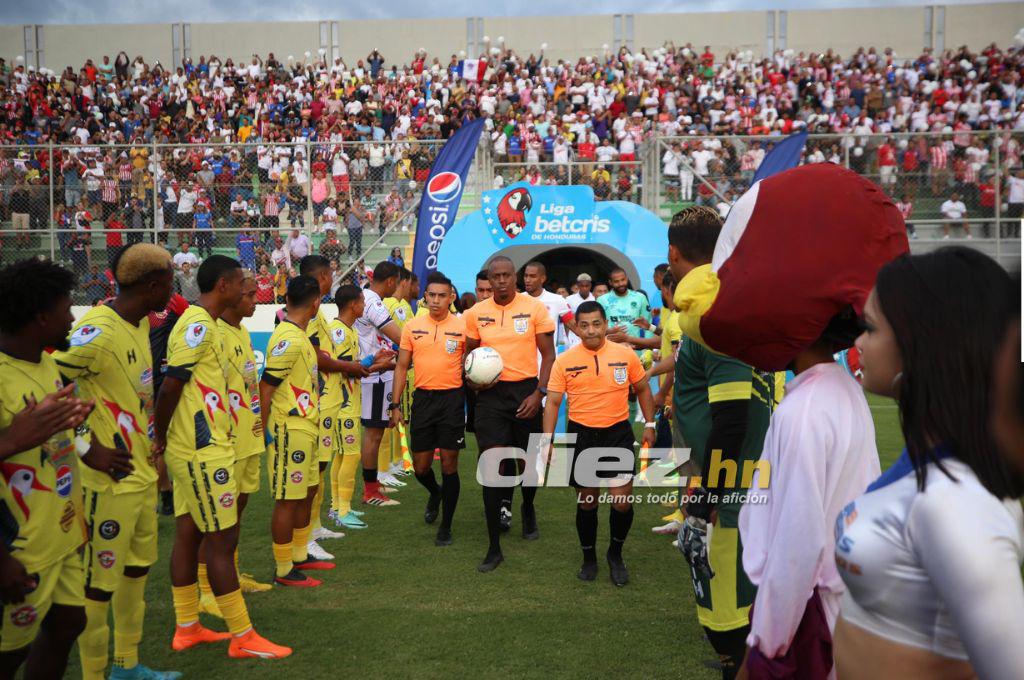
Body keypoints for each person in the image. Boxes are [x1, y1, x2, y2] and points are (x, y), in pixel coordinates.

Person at [833, 248, 1024, 680]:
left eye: (871, 328)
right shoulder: (928, 459)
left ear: (921, 346)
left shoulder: (956, 503)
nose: (858, 343)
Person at [52, 245, 181, 680]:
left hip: (140, 475)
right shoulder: (98, 331)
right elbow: (47, 388)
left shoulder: (141, 321)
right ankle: (93, 675)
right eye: (168, 282)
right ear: (150, 286)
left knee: (136, 571)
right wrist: (88, 448)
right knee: (96, 587)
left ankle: (127, 665)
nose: (172, 289)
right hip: (104, 483)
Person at [153, 255, 289, 659]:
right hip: (200, 449)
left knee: (190, 533)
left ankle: (187, 627)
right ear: (223, 286)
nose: (250, 293)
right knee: (220, 538)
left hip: (209, 446)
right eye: (240, 285)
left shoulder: (215, 326)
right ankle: (242, 636)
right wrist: (159, 441)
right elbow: (170, 388)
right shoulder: (197, 325)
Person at [665, 207, 780, 680]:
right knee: (737, 606)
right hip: (737, 482)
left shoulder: (714, 315)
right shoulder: (727, 301)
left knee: (726, 615)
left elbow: (732, 419)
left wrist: (702, 505)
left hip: (730, 495)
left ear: (673, 254)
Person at [0, 259, 95, 679]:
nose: (72, 317)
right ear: (40, 317)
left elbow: (50, 441)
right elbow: (18, 441)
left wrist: (78, 436)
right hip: (20, 548)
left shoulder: (46, 364)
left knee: (68, 624)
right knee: (6, 656)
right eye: (66, 308)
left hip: (59, 533)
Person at [543, 301, 655, 586]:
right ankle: (589, 557)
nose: (591, 330)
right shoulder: (565, 360)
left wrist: (651, 425)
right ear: (576, 328)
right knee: (588, 502)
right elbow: (553, 402)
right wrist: (547, 441)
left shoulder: (624, 355)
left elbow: (642, 388)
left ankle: (615, 555)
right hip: (583, 435)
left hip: (617, 433)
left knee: (621, 502)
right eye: (584, 325)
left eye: (596, 324)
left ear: (605, 325)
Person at [463, 256, 555, 572]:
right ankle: (493, 548)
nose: (501, 281)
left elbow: (549, 354)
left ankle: (527, 507)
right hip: (490, 396)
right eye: (495, 276)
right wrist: (473, 381)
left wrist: (538, 393)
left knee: (528, 463)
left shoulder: (535, 309)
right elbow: (469, 357)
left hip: (526, 392)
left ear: (514, 277)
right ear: (489, 279)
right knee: (493, 466)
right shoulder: (475, 313)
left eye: (506, 275)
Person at [198, 271, 271, 614]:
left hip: (249, 440)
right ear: (232, 296)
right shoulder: (211, 333)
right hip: (224, 445)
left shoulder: (241, 330)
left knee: (236, 513)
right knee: (214, 519)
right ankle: (205, 590)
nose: (256, 301)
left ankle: (232, 572)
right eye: (251, 296)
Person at [260, 275, 334, 588]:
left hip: (306, 424)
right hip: (289, 427)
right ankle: (282, 568)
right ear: (316, 302)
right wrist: (261, 431)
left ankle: (301, 554)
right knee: (288, 499)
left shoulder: (299, 334)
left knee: (306, 491)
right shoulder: (288, 338)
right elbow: (266, 388)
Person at [391, 272, 466, 546]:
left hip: (452, 401)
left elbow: (472, 361)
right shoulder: (412, 326)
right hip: (422, 400)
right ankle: (435, 493)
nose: (435, 300)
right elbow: (401, 366)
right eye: (431, 295)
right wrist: (395, 404)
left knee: (449, 463)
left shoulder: (462, 326)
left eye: (441, 296)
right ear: (425, 296)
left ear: (451, 298)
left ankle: (446, 526)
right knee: (421, 467)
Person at [296, 256, 349, 562]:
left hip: (328, 402)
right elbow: (317, 357)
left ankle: (314, 527)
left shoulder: (319, 313)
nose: (332, 280)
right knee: (312, 473)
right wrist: (354, 367)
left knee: (320, 469)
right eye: (329, 275)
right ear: (320, 278)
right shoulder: (309, 316)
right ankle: (306, 538)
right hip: (316, 405)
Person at [326, 286, 386, 530]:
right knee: (350, 455)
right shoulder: (339, 331)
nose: (364, 306)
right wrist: (381, 365)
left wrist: (375, 359)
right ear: (354, 305)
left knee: (342, 455)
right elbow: (343, 367)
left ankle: (337, 507)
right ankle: (342, 509)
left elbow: (352, 365)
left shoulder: (347, 331)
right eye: (362, 302)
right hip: (343, 405)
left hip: (349, 401)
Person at [355, 261, 402, 508]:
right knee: (373, 434)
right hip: (373, 375)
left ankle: (372, 484)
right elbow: (399, 337)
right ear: (392, 281)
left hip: (377, 372)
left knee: (377, 432)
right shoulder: (372, 301)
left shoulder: (368, 297)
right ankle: (370, 491)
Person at [381, 268, 416, 486]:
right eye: (411, 283)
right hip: (394, 367)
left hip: (407, 367)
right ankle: (384, 466)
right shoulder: (388, 305)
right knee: (390, 416)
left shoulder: (404, 306)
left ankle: (396, 458)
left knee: (401, 415)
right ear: (403, 282)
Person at [523, 261, 577, 349]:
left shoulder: (557, 300)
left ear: (542, 278)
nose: (527, 280)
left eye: (532, 276)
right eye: (526, 276)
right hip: (523, 360)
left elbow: (576, 328)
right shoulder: (517, 300)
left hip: (549, 360)